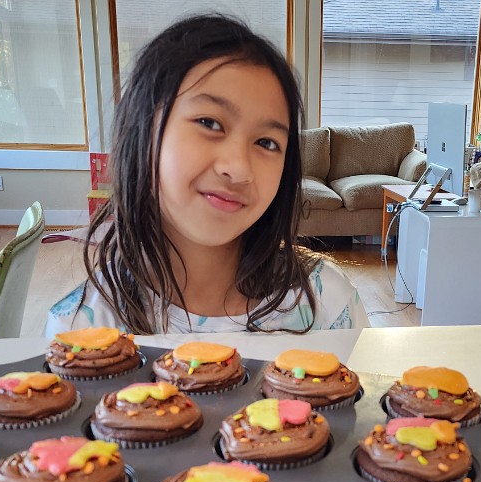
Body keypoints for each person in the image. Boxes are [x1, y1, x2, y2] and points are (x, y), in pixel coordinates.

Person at [45, 14, 367, 336]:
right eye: (209, 123)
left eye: (266, 142)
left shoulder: (328, 306)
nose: (238, 168)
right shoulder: (80, 330)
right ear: (142, 133)